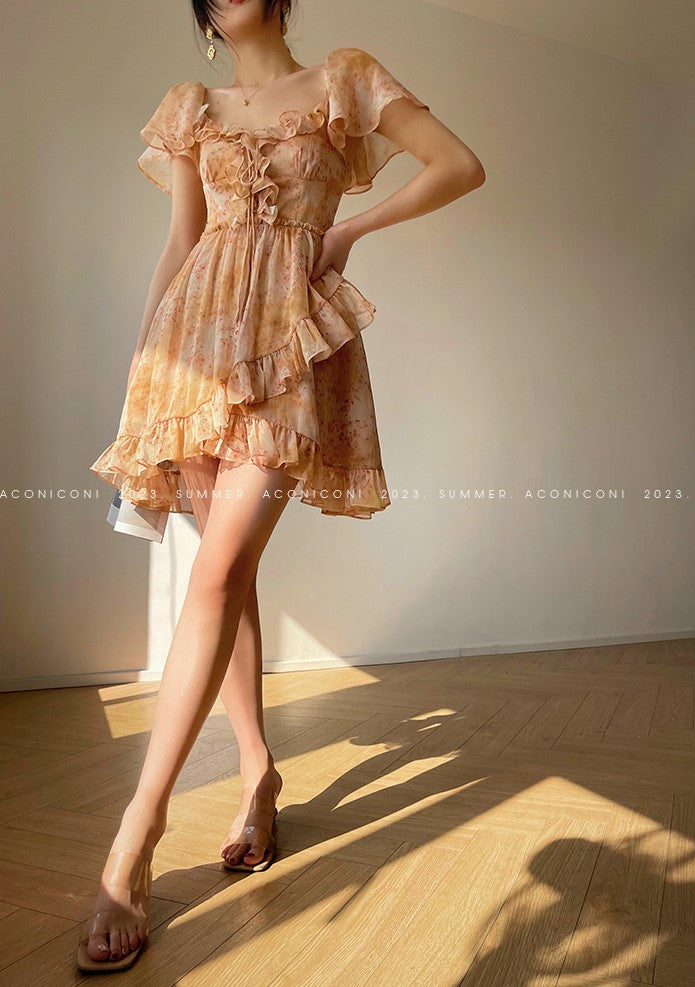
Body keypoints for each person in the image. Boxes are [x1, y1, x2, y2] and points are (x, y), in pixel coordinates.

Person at [81, 0, 485, 971]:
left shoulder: (343, 77)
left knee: (217, 573)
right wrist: (143, 374)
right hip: (192, 346)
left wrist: (351, 234)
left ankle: (137, 833)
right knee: (228, 579)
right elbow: (183, 243)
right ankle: (259, 774)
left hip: (287, 347)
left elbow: (458, 164)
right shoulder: (192, 106)